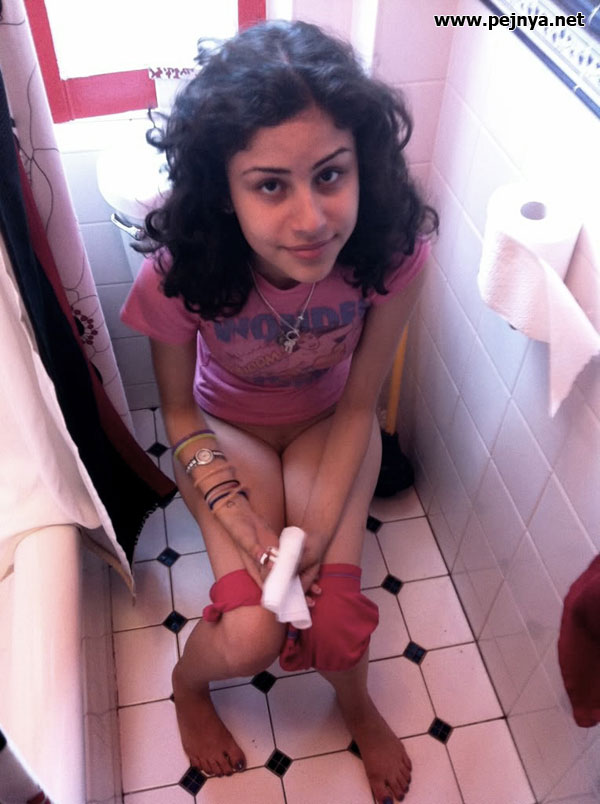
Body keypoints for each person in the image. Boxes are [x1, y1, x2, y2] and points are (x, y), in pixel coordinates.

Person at [121, 19, 437, 804]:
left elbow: (361, 404)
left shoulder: (390, 253)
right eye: (270, 185)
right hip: (226, 429)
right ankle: (188, 685)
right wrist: (247, 527)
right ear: (224, 192)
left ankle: (355, 706)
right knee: (252, 631)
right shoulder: (181, 273)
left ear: (362, 163)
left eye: (330, 175)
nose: (311, 219)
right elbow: (178, 414)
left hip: (332, 425)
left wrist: (313, 540)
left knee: (334, 617)